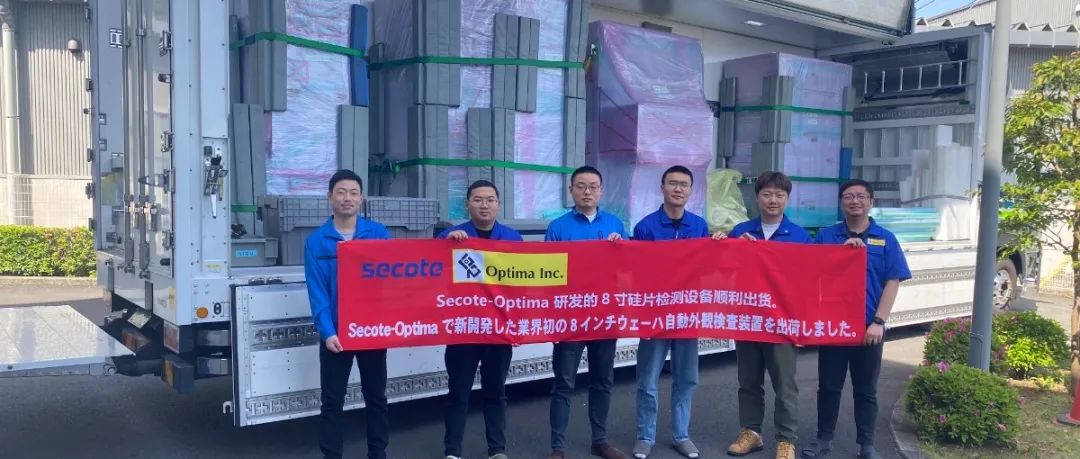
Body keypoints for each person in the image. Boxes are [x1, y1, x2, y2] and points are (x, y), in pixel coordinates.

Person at [801, 179, 911, 459]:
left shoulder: (886, 238)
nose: (855, 201)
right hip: (835, 327)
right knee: (828, 387)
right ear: (841, 203)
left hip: (868, 327)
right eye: (849, 196)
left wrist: (879, 321)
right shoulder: (827, 236)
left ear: (871, 202)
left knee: (866, 390)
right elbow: (811, 273)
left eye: (861, 196)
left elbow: (892, 281)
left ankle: (866, 444)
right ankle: (823, 439)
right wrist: (840, 254)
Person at [303, 169, 392, 459]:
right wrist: (327, 331)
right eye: (341, 192)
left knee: (376, 397)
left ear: (361, 199)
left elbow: (394, 278)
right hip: (336, 334)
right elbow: (317, 291)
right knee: (332, 402)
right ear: (330, 197)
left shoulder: (378, 234)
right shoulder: (317, 241)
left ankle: (378, 453)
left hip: (371, 331)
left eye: (354, 193)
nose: (347, 198)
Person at [723, 171, 811, 459]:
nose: (773, 200)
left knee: (785, 384)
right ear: (757, 197)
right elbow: (724, 272)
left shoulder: (799, 236)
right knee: (748, 381)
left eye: (779, 194)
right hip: (748, 319)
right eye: (767, 194)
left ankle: (786, 440)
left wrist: (803, 324)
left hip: (783, 322)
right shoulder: (741, 231)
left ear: (787, 198)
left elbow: (809, 282)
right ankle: (751, 432)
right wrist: (732, 247)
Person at [545, 166, 629, 459]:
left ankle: (600, 441)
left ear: (601, 191)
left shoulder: (615, 225)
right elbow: (550, 273)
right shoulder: (558, 227)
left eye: (593, 186)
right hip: (570, 317)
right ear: (571, 191)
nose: (587, 191)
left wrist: (621, 249)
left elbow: (628, 268)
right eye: (580, 186)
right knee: (563, 383)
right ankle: (558, 446)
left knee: (603, 381)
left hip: (604, 315)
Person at [631, 166, 711, 459]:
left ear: (691, 190)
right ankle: (645, 436)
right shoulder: (645, 227)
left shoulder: (699, 226)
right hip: (654, 314)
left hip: (687, 314)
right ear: (662, 187)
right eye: (673, 183)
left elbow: (707, 266)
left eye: (684, 185)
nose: (678, 189)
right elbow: (635, 270)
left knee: (687, 378)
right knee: (648, 378)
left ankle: (681, 435)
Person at [438, 180, 523, 459]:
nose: (484, 205)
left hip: (498, 330)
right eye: (478, 200)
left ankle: (497, 450)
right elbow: (433, 271)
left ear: (498, 204)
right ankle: (452, 451)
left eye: (490, 200)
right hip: (463, 329)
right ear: (467, 205)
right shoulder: (452, 236)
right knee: (458, 392)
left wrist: (517, 326)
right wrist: (446, 246)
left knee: (496, 391)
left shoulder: (512, 238)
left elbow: (522, 287)